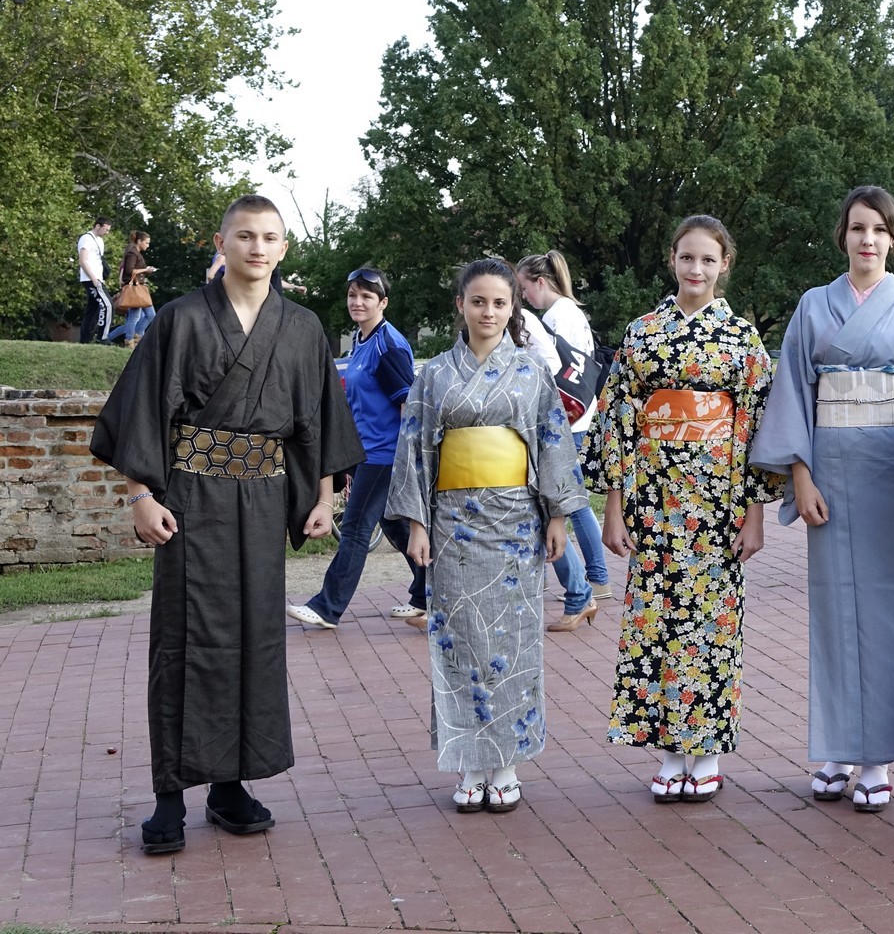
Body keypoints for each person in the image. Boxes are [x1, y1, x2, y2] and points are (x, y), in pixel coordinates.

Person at [89, 194, 362, 855]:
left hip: (265, 499)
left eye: (269, 237)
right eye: (245, 235)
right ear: (223, 242)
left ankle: (230, 785)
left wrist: (323, 496)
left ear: (283, 248)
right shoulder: (181, 319)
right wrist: (140, 495)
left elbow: (317, 421)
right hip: (191, 497)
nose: (257, 247)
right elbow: (142, 411)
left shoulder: (301, 328)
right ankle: (169, 795)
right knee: (185, 639)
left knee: (254, 640)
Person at [752, 186, 894, 813]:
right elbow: (793, 391)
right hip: (830, 470)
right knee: (835, 612)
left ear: (893, 239)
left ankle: (877, 759)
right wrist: (801, 476)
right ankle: (837, 748)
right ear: (843, 235)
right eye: (858, 228)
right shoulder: (814, 304)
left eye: (879, 229)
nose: (868, 239)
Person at [584, 215, 780, 803]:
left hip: (719, 497)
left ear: (725, 265)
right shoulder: (642, 333)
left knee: (713, 624)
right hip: (653, 494)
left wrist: (755, 511)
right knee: (656, 620)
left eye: (708, 260)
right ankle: (668, 751)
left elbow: (755, 425)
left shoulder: (741, 339)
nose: (697, 269)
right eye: (687, 257)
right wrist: (614, 505)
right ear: (672, 259)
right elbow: (617, 418)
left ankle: (707, 751)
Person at [386, 259, 587, 814]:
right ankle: (469, 764)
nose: (489, 312)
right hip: (453, 522)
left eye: (500, 303)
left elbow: (552, 443)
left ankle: (506, 766)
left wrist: (557, 516)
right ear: (461, 305)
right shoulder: (434, 375)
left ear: (512, 307)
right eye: (478, 301)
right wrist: (417, 524)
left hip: (515, 523)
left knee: (512, 642)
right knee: (461, 640)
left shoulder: (531, 370)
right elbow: (414, 448)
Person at [286, 268, 428, 631]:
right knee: (393, 526)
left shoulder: (388, 345)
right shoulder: (362, 340)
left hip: (385, 455)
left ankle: (327, 607)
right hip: (366, 452)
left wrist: (408, 460)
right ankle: (429, 594)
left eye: (367, 296)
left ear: (383, 302)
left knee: (354, 528)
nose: (358, 302)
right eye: (353, 295)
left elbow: (408, 406)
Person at [516, 251, 612, 631]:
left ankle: (595, 578)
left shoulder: (555, 316)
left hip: (566, 417)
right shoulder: (571, 311)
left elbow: (556, 368)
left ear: (540, 282)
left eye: (524, 288)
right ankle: (591, 579)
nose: (524, 297)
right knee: (571, 500)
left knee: (571, 502)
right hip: (578, 413)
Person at [109, 231, 157, 347]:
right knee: (139, 316)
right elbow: (129, 271)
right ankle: (131, 339)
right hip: (135, 288)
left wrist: (146, 271)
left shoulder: (135, 253)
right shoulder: (132, 253)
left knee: (146, 315)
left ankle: (134, 337)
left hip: (138, 287)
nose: (148, 246)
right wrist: (146, 269)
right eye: (146, 243)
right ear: (139, 241)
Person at [77, 214, 114, 343]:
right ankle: (102, 337)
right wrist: (93, 278)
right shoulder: (86, 239)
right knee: (108, 305)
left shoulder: (99, 241)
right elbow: (83, 260)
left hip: (98, 277)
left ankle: (85, 340)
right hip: (91, 278)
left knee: (93, 309)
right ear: (98, 226)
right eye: (106, 229)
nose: (107, 233)